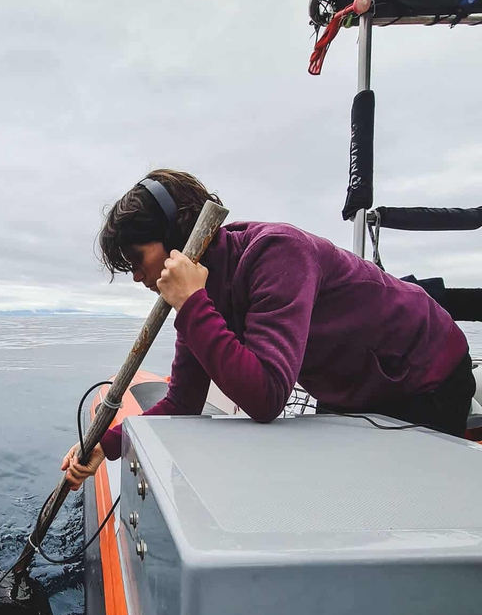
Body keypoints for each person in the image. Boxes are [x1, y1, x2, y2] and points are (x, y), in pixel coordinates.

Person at [62, 169, 475, 490]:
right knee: (341, 491)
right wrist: (107, 444)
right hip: (353, 389)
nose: (137, 276)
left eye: (137, 259)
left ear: (175, 236)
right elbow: (183, 401)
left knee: (409, 498)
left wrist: (191, 304)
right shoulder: (201, 296)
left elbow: (267, 398)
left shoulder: (276, 253)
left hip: (425, 372)